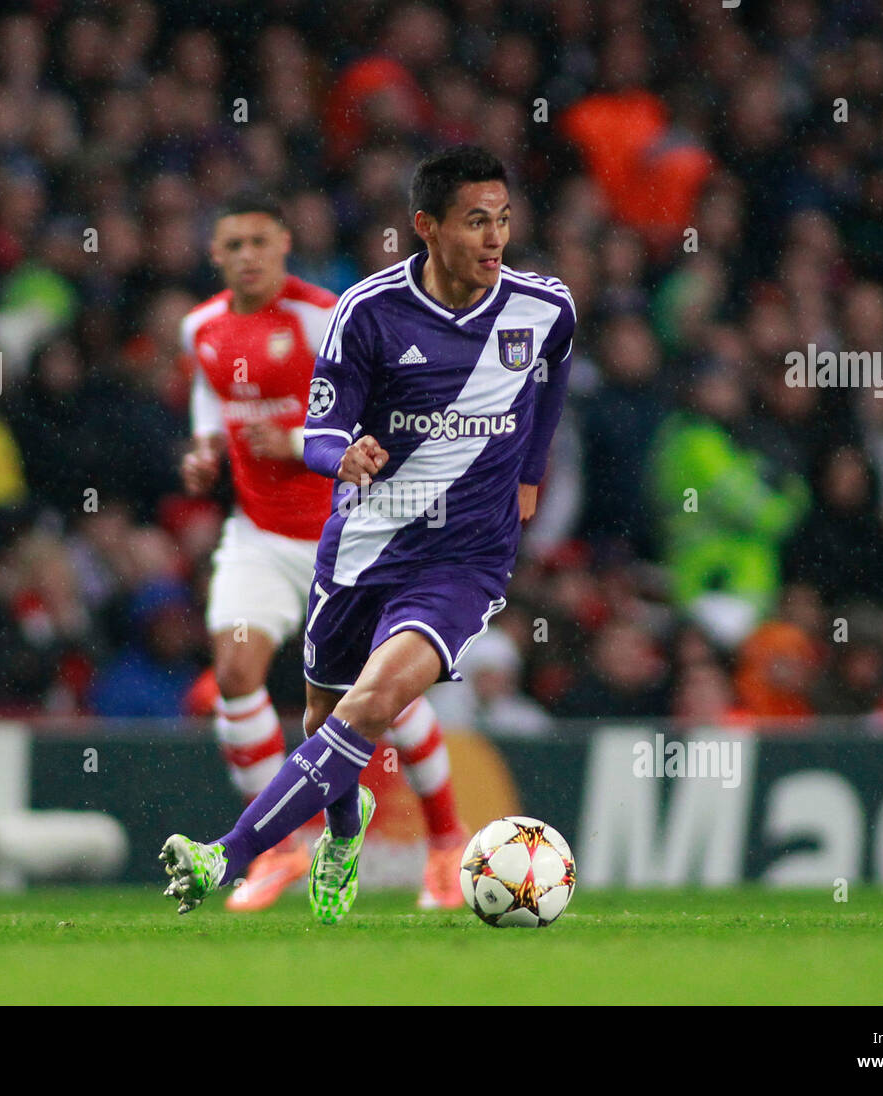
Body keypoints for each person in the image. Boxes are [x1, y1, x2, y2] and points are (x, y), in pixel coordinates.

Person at [162, 146, 576, 922]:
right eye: (475, 221)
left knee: (376, 698)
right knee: (326, 721)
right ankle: (341, 839)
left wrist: (528, 475)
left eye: (504, 220)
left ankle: (230, 853)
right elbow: (321, 430)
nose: (495, 238)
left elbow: (549, 382)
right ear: (426, 226)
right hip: (360, 546)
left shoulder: (543, 308)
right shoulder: (369, 311)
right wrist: (340, 454)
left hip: (463, 560)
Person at [179, 192, 472, 911]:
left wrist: (306, 444)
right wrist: (204, 451)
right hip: (258, 536)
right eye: (233, 245)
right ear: (216, 256)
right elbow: (212, 402)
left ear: (284, 244)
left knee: (387, 700)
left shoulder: (326, 317)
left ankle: (446, 843)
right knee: (236, 670)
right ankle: (276, 852)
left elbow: (380, 415)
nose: (247, 255)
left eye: (259, 241)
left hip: (347, 536)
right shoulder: (202, 327)